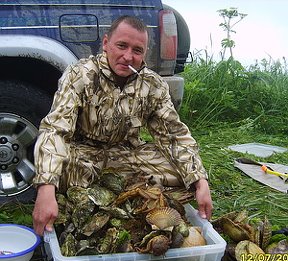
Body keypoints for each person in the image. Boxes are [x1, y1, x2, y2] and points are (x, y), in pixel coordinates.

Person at [32, 15, 213, 236]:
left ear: (144, 53)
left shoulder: (153, 85)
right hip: (82, 155)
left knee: (184, 174)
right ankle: (131, 189)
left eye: (137, 50)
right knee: (56, 168)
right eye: (121, 46)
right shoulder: (79, 74)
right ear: (106, 43)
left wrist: (200, 180)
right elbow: (55, 129)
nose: (128, 56)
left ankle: (117, 192)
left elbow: (173, 135)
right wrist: (45, 187)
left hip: (127, 154)